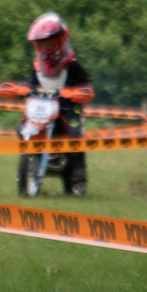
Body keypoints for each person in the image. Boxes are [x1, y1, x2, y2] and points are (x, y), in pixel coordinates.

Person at [24, 11, 94, 194]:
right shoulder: (37, 66)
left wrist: (80, 92)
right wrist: (24, 90)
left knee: (74, 133)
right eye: (39, 45)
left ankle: (78, 172)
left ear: (59, 41)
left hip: (69, 108)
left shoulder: (72, 64)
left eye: (47, 44)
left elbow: (86, 84)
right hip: (44, 107)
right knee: (25, 126)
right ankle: (28, 165)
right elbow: (31, 84)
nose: (43, 50)